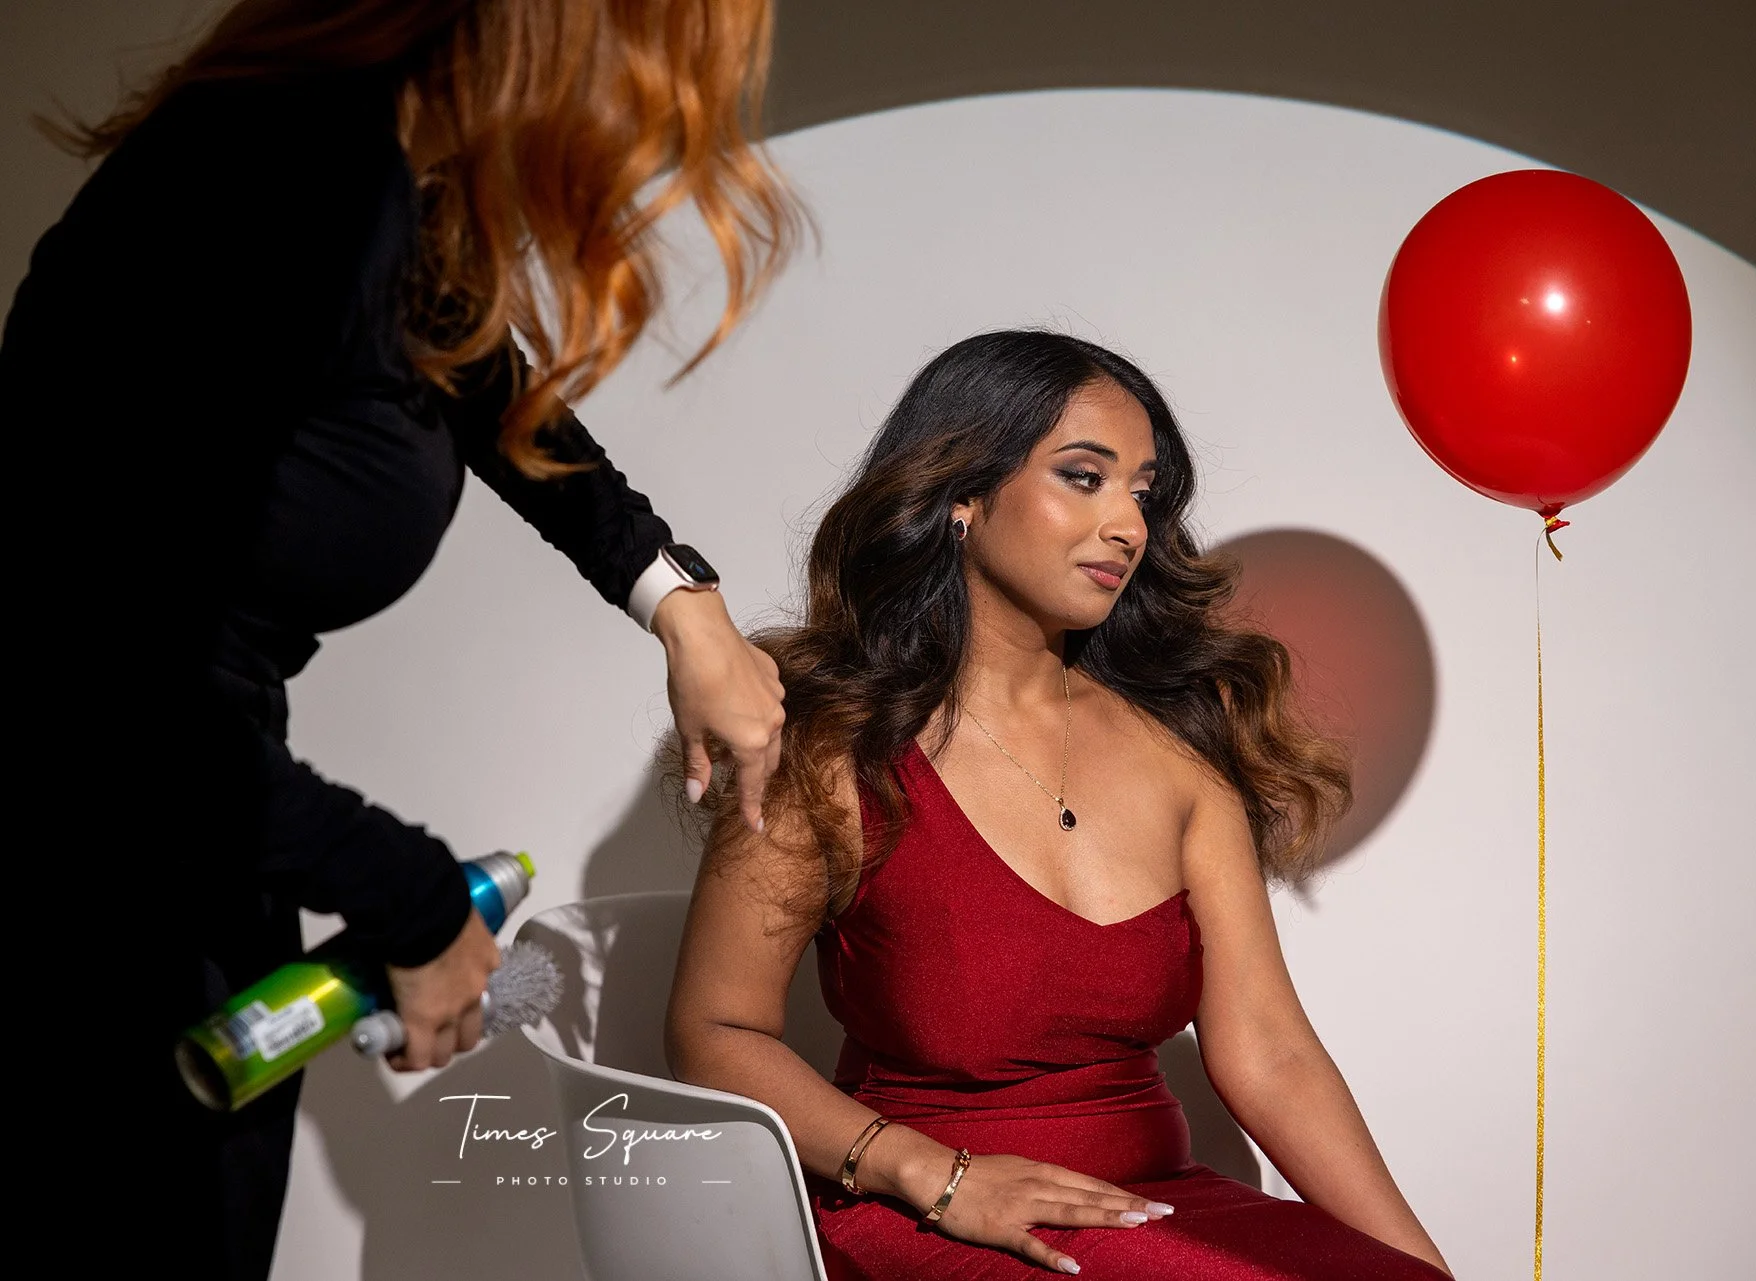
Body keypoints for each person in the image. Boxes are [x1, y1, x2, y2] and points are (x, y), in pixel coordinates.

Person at [2, 2, 798, 1277]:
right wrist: (420, 904)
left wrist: (677, 604)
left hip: (190, 826)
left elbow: (489, 391)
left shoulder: (349, 178)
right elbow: (100, 687)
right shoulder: (295, 181)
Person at [665, 330, 1454, 1279]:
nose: (1129, 523)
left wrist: (1419, 1265)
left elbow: (1271, 1053)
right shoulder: (832, 746)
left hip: (1153, 1204)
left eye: (1143, 493)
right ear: (962, 494)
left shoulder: (1179, 755)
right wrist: (940, 1176)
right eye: (1085, 476)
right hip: (922, 1212)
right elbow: (714, 1033)